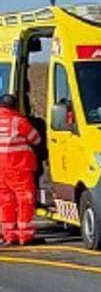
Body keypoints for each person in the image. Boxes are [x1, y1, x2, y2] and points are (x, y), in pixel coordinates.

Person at [0, 93, 40, 246]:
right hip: (19, 168)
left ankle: (9, 235)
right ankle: (25, 236)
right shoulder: (18, 121)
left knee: (5, 202)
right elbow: (36, 139)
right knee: (25, 200)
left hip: (1, 169)